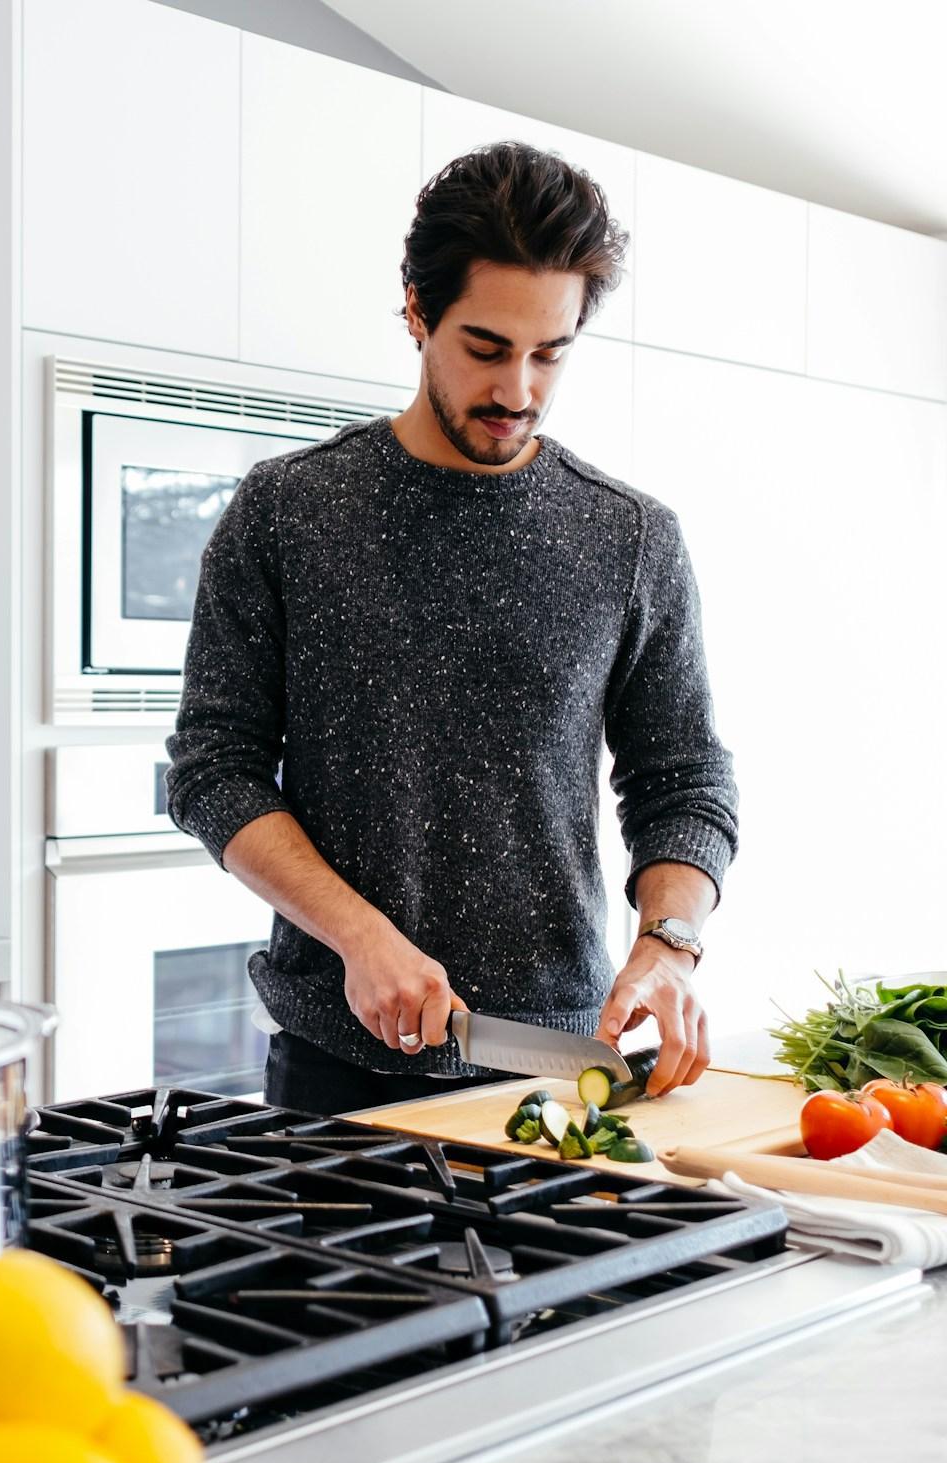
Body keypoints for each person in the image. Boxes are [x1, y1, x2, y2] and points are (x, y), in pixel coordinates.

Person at [163, 140, 739, 1116]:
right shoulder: (288, 511)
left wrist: (667, 941)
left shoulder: (629, 536)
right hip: (333, 1076)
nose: (517, 388)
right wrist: (357, 935)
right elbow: (212, 770)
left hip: (558, 1068)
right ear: (415, 311)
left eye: (547, 352)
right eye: (485, 347)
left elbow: (682, 778)